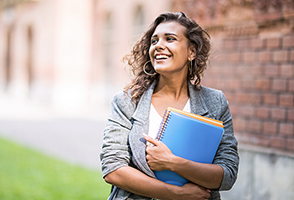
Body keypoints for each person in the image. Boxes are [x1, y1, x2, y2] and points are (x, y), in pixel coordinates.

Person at [100, 11, 239, 200]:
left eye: (170, 39)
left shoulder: (215, 102)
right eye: (154, 41)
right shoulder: (127, 101)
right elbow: (113, 168)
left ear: (192, 52)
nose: (159, 46)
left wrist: (173, 162)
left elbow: (227, 175)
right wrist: (177, 194)